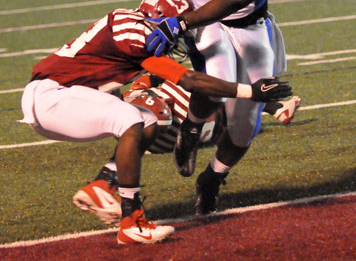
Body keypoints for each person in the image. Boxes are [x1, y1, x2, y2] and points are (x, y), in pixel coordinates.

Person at [19, 0, 291, 241]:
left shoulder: (137, 31)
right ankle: (132, 220)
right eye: (177, 25)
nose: (178, 36)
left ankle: (103, 184)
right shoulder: (131, 29)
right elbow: (191, 81)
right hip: (51, 98)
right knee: (131, 119)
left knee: (151, 119)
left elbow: (185, 79)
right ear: (159, 18)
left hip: (63, 98)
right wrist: (250, 92)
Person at [141, 0, 302, 215]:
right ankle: (192, 127)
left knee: (246, 124)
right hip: (204, 15)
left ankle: (212, 177)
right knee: (217, 81)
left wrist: (180, 23)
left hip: (247, 23)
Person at [73, 70, 297, 225]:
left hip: (171, 126)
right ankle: (105, 181)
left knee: (238, 114)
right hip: (157, 120)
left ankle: (206, 168)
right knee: (198, 90)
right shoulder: (144, 84)